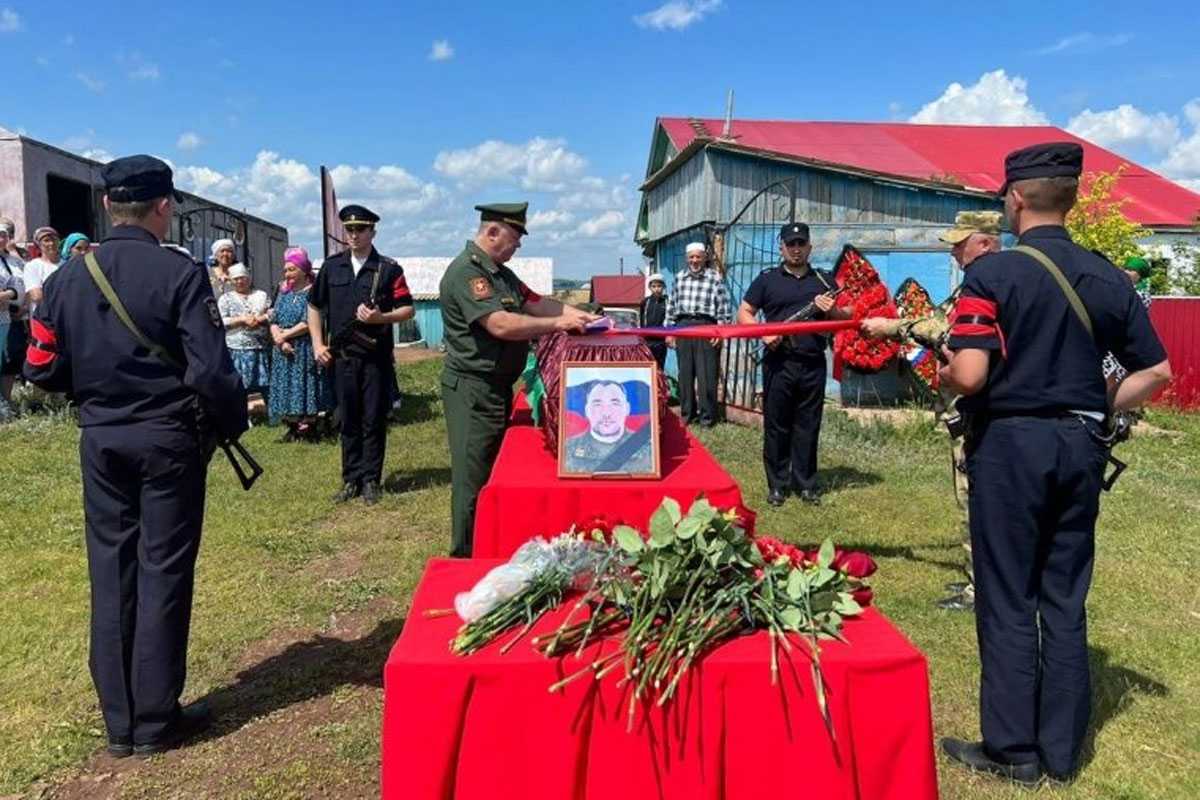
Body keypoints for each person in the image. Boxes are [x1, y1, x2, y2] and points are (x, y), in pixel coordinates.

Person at [937, 143, 1171, 786]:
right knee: (1064, 598)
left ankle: (1014, 752)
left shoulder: (993, 277)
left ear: (1015, 198)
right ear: (1068, 198)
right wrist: (1095, 401)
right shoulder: (1106, 277)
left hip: (1013, 445)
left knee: (1009, 595)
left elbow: (973, 374)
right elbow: (1156, 371)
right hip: (1081, 445)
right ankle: (1063, 756)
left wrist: (942, 368)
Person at [23, 154, 248, 757]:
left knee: (111, 573)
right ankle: (154, 719)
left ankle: (119, 722)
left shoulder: (67, 278)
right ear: (164, 206)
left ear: (105, 205)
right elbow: (212, 373)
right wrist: (228, 428)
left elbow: (38, 369)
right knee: (163, 570)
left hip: (101, 439)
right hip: (168, 438)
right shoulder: (179, 274)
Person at [860, 210, 1002, 610]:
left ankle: (983, 591)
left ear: (986, 242)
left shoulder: (988, 286)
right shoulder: (974, 284)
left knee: (977, 502)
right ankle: (977, 581)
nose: (954, 252)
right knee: (968, 501)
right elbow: (940, 322)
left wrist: (892, 327)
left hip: (977, 411)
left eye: (961, 243)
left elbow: (946, 332)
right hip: (964, 411)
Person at [439, 202, 598, 556]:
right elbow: (499, 324)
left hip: (494, 387)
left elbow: (539, 304)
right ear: (492, 232)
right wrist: (558, 325)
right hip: (472, 388)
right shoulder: (469, 272)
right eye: (515, 238)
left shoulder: (500, 273)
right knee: (472, 479)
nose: (518, 246)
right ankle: (464, 556)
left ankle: (487, 544)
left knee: (490, 474)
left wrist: (587, 319)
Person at [737, 222, 852, 507]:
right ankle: (777, 485)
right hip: (779, 362)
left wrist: (832, 310)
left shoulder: (824, 281)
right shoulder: (767, 280)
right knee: (777, 426)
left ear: (810, 247)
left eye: (801, 244)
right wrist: (764, 334)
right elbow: (745, 312)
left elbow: (846, 315)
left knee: (808, 425)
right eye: (791, 244)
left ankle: (806, 485)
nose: (796, 249)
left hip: (812, 363)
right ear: (782, 248)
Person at [307, 204, 415, 505]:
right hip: (341, 358)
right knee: (347, 419)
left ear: (372, 232)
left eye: (360, 229)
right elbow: (314, 306)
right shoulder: (331, 267)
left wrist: (380, 319)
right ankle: (350, 479)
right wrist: (317, 345)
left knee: (373, 419)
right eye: (350, 229)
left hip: (375, 357)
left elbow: (408, 309)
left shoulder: (389, 268)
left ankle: (371, 480)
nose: (354, 235)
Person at [665, 242, 731, 427]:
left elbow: (724, 307)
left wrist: (720, 330)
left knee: (707, 375)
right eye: (691, 257)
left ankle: (707, 417)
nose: (695, 260)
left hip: (706, 325)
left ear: (704, 258)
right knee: (685, 374)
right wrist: (670, 331)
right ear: (687, 259)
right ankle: (687, 415)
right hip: (683, 325)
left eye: (698, 257)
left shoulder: (714, 278)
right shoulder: (679, 278)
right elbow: (671, 306)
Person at [268, 246, 333, 437]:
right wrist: (279, 339)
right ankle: (293, 425)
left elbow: (309, 321)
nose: (287, 273)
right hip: (283, 347)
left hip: (304, 346)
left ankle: (311, 425)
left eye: (292, 269)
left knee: (306, 384)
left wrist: (286, 335)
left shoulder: (312, 291)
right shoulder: (283, 291)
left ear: (304, 270)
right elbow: (273, 317)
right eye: (286, 269)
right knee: (286, 386)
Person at [563, 380, 653, 474]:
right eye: (597, 404)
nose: (606, 413)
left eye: (615, 404)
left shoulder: (647, 448)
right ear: (587, 411)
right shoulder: (568, 448)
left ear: (627, 409)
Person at [218, 263, 272, 405]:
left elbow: (272, 313)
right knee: (239, 385)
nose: (240, 281)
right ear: (231, 281)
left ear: (248, 278)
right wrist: (241, 320)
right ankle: (241, 415)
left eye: (242, 278)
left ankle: (274, 415)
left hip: (259, 346)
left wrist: (260, 319)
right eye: (236, 279)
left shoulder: (261, 295)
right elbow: (220, 321)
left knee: (265, 383)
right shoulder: (225, 298)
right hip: (236, 348)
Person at [0, 220, 25, 413]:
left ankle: (5, 402)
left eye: (4, 235)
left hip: (9, 318)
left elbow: (21, 287)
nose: (1, 239)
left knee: (7, 361)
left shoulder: (14, 260)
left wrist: (7, 295)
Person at [22, 226, 62, 314]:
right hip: (44, 318)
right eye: (46, 240)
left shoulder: (66, 264)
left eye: (54, 239)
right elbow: (36, 296)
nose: (51, 243)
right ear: (38, 245)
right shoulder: (33, 266)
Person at [639, 272, 668, 368]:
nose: (656, 289)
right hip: (647, 340)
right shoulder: (645, 302)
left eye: (659, 286)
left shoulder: (667, 302)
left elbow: (669, 319)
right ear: (650, 287)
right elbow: (642, 319)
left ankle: (659, 383)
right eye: (654, 286)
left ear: (663, 287)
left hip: (660, 341)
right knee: (647, 365)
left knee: (659, 366)